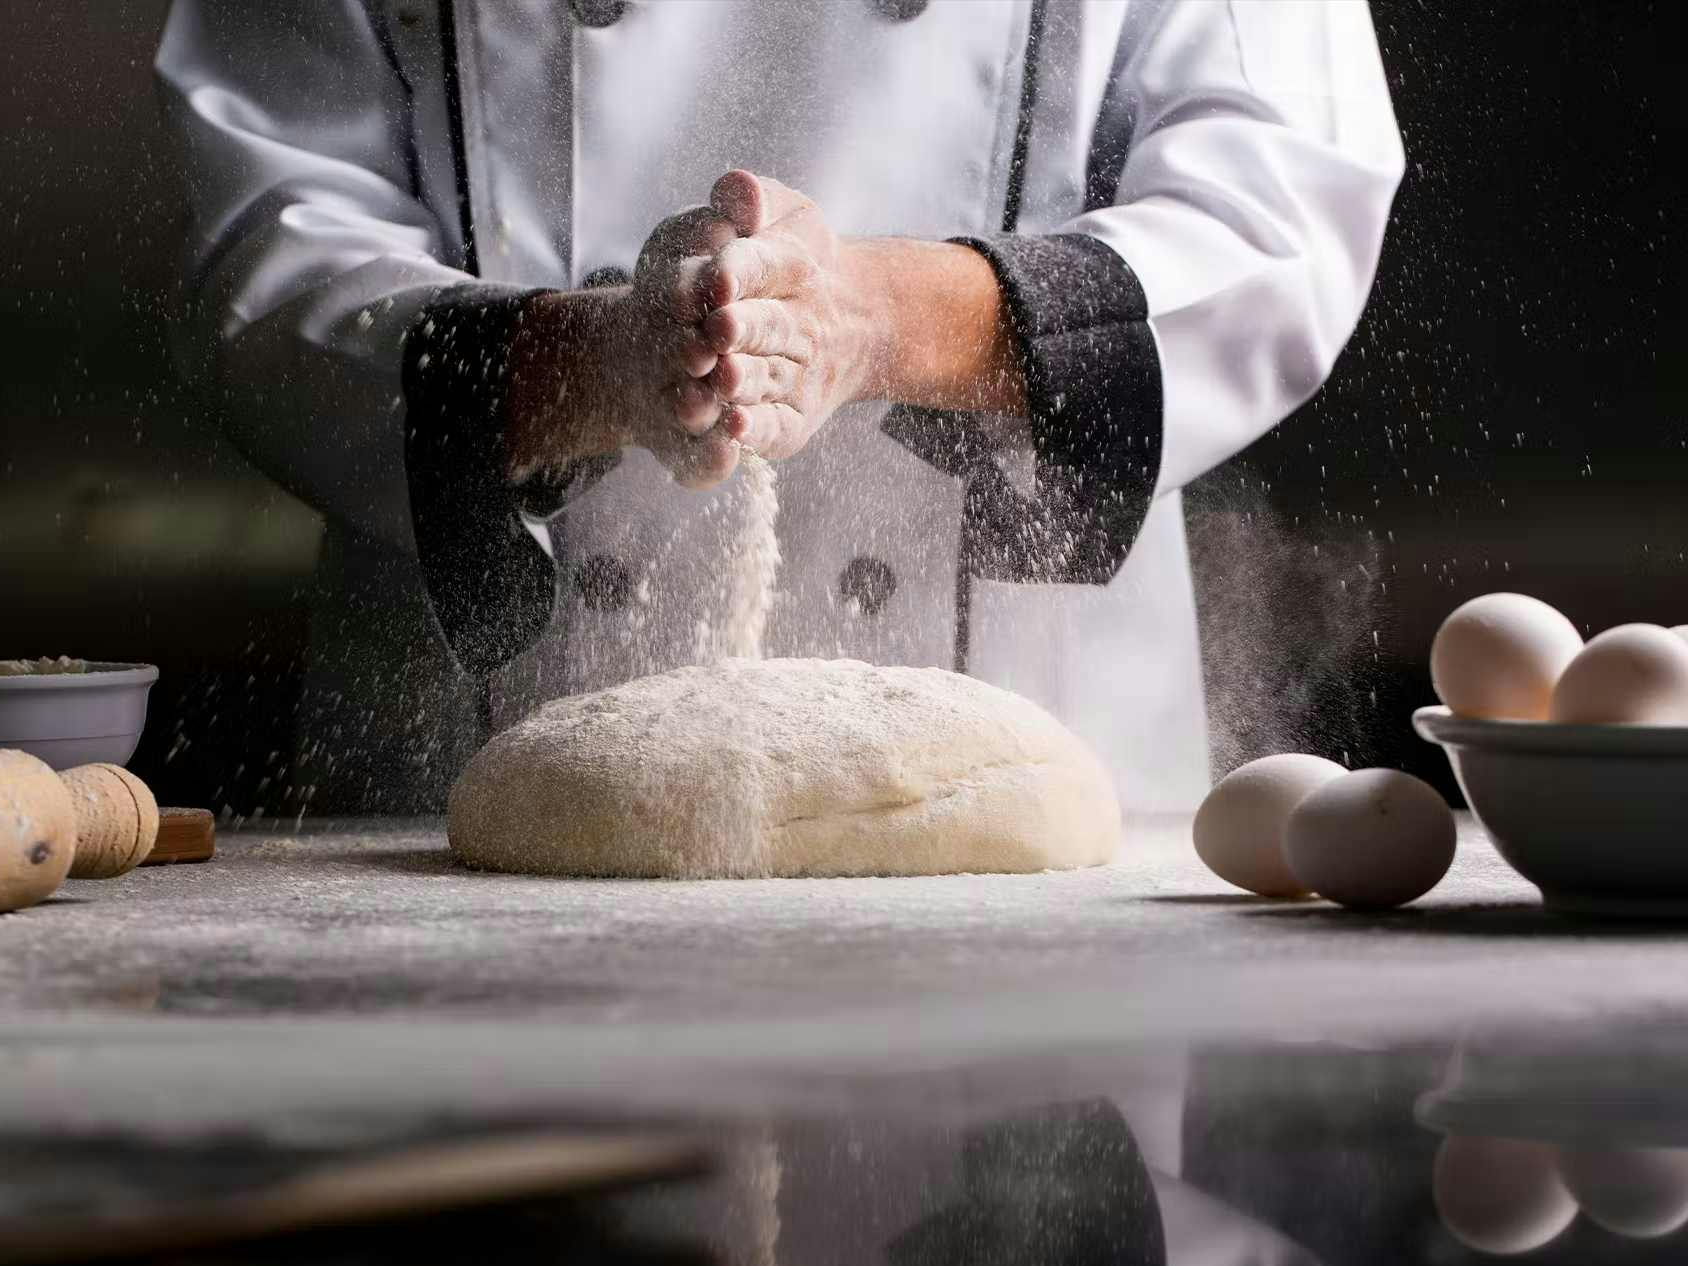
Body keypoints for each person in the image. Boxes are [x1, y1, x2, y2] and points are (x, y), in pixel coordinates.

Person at [155, 0, 1403, 815]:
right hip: (465, 791)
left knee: (1045, 1195)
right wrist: (580, 364)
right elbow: (255, 239)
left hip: (1036, 778)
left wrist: (876, 318)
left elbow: (1280, 209)